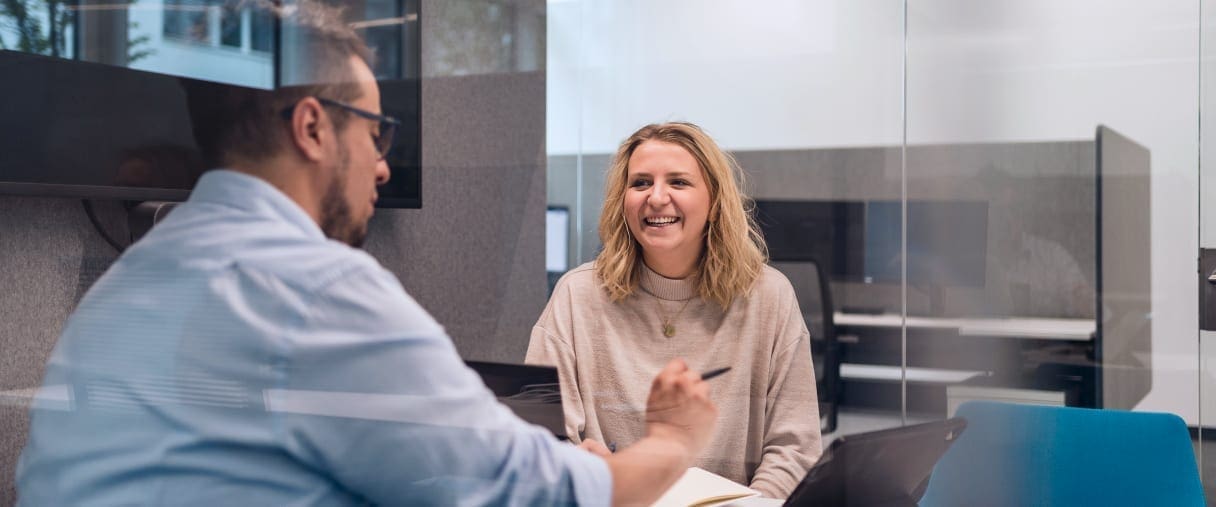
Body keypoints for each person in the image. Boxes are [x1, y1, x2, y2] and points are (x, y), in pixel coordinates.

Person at [15, 3, 717, 506]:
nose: (383, 166)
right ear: (314, 127)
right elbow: (539, 492)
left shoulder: (118, 289)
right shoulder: (315, 291)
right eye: (376, 133)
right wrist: (671, 439)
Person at [526, 122, 823, 498]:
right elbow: (542, 443)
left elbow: (794, 450)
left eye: (679, 182)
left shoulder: (770, 296)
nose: (657, 197)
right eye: (641, 183)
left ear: (714, 202)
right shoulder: (577, 295)